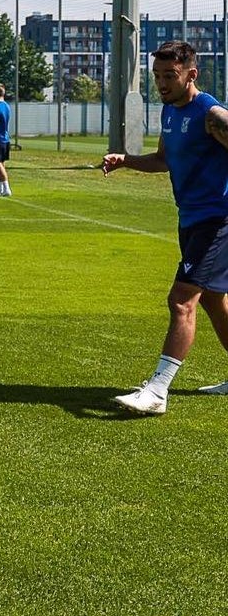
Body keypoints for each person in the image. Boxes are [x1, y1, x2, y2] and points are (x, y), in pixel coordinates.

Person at [103, 40, 228, 415]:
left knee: (181, 300)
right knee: (212, 299)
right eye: (156, 76)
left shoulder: (212, 115)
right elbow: (162, 160)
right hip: (190, 219)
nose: (161, 83)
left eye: (169, 76)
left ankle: (157, 391)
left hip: (217, 221)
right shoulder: (169, 113)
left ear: (192, 74)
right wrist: (126, 160)